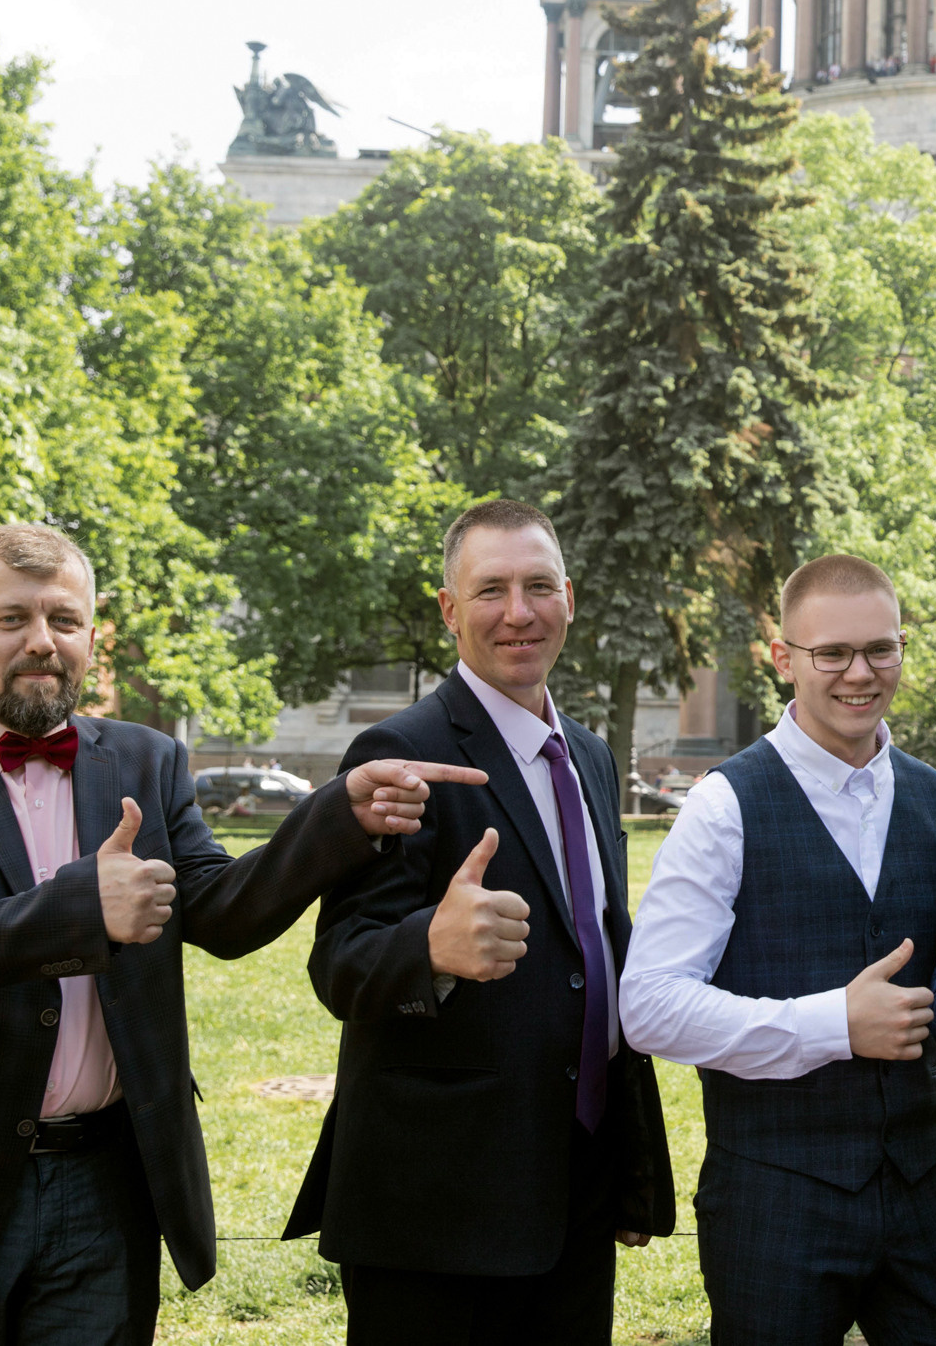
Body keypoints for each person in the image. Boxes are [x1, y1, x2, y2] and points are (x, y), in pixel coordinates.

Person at [0, 521, 469, 1344]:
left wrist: (336, 816)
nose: (42, 641)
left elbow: (219, 911)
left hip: (109, 1187)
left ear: (92, 638)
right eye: (12, 619)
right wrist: (80, 908)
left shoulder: (147, 759)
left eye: (65, 620)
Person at [287, 498, 675, 1345]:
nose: (518, 612)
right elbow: (340, 963)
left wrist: (628, 1161)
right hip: (439, 1210)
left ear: (569, 597)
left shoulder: (592, 756)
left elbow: (594, 953)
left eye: (539, 586)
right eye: (491, 589)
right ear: (448, 608)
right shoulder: (400, 751)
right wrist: (428, 947)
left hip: (574, 1183)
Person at [621, 555, 936, 1346]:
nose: (858, 673)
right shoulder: (723, 805)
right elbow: (650, 1003)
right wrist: (832, 1023)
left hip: (927, 1174)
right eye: (831, 653)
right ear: (784, 659)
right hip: (775, 1190)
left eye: (880, 649)